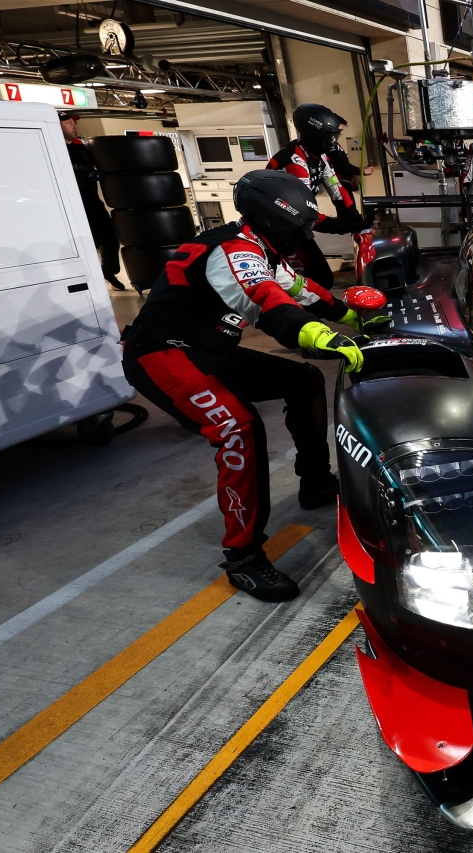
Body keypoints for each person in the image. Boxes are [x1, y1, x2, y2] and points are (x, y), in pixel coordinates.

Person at [121, 171, 370, 601]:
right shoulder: (234, 250)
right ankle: (243, 557)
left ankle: (315, 482)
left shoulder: (257, 245)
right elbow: (263, 299)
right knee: (239, 428)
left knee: (305, 380)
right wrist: (314, 334)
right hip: (162, 354)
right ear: (277, 220)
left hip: (209, 350)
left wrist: (352, 315)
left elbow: (301, 289)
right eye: (300, 226)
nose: (304, 235)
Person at [266, 103, 365, 290]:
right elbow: (302, 213)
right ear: (315, 136)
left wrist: (356, 220)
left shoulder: (320, 156)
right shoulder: (295, 161)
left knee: (322, 278)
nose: (334, 142)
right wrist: (342, 226)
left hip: (294, 223)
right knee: (305, 282)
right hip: (278, 227)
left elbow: (336, 189)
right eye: (331, 137)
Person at [60, 111, 124, 291]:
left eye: (74, 123)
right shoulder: (53, 148)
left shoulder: (83, 146)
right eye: (68, 123)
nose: (74, 126)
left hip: (92, 202)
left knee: (110, 239)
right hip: (71, 206)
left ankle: (108, 272)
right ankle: (85, 278)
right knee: (84, 244)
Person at [326, 114, 375, 191]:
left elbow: (339, 162)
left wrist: (344, 158)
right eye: (340, 130)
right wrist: (363, 171)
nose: (342, 133)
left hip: (340, 182)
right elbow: (344, 168)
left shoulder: (334, 144)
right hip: (339, 182)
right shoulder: (329, 145)